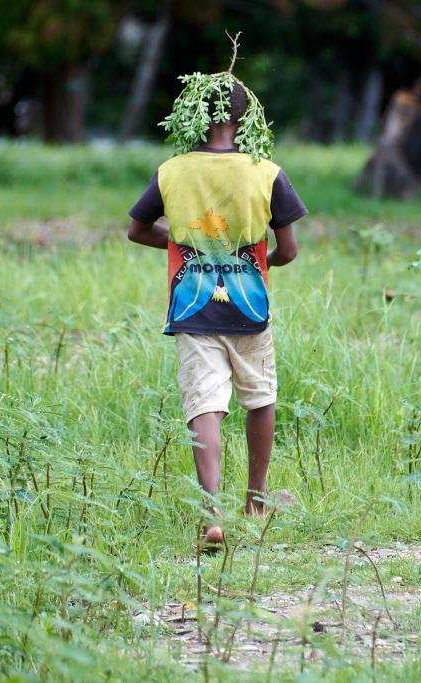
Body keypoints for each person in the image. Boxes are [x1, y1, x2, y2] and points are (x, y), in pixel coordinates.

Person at [127, 80, 307, 549]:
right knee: (260, 396)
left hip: (192, 304)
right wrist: (253, 262)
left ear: (193, 117)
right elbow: (287, 250)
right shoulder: (266, 172)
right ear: (246, 120)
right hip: (249, 304)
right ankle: (256, 499)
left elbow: (137, 229)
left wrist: (186, 244)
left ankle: (212, 513)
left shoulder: (171, 171)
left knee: (204, 403)